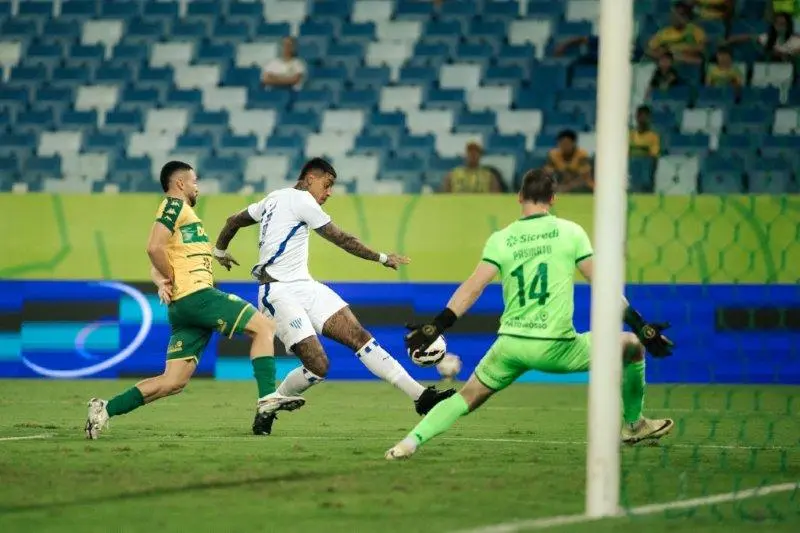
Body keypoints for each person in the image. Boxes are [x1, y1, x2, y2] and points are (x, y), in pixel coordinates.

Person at [385, 168, 675, 460]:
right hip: (556, 347)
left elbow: (473, 287)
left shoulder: (502, 239)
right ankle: (634, 425)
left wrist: (437, 326)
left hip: (511, 346)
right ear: (553, 198)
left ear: (519, 197)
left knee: (466, 397)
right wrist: (640, 326)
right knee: (632, 346)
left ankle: (408, 444)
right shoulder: (571, 232)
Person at [213, 158, 456, 435]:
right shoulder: (302, 200)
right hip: (277, 292)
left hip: (305, 286)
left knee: (359, 337)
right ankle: (268, 405)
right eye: (327, 185)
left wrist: (220, 250)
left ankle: (420, 397)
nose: (328, 193)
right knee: (318, 365)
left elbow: (234, 220)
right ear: (309, 179)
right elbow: (342, 238)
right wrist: (382, 257)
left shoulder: (273, 199)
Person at [85, 162, 301, 439]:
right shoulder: (174, 206)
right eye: (194, 181)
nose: (197, 187)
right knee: (264, 328)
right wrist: (171, 277)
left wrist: (161, 279)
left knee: (172, 382)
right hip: (197, 296)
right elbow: (153, 247)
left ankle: (104, 409)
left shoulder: (184, 217)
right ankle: (267, 398)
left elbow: (161, 254)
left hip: (184, 308)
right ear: (180, 184)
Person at [724, 12, 800, 63]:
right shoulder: (768, 37)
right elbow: (750, 37)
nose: (779, 27)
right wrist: (730, 40)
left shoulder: (795, 40)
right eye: (777, 23)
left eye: (782, 24)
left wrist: (788, 54)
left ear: (788, 25)